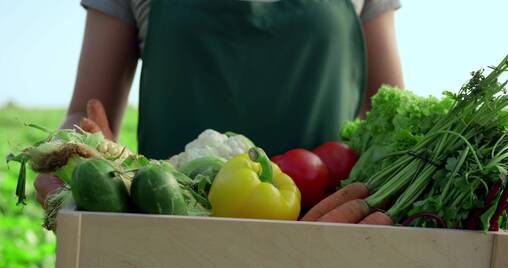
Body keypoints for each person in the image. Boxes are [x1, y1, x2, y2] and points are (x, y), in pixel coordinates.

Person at [35, 0, 404, 224]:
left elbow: (392, 115)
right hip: (165, 241)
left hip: (327, 240)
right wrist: (61, 157)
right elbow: (85, 112)